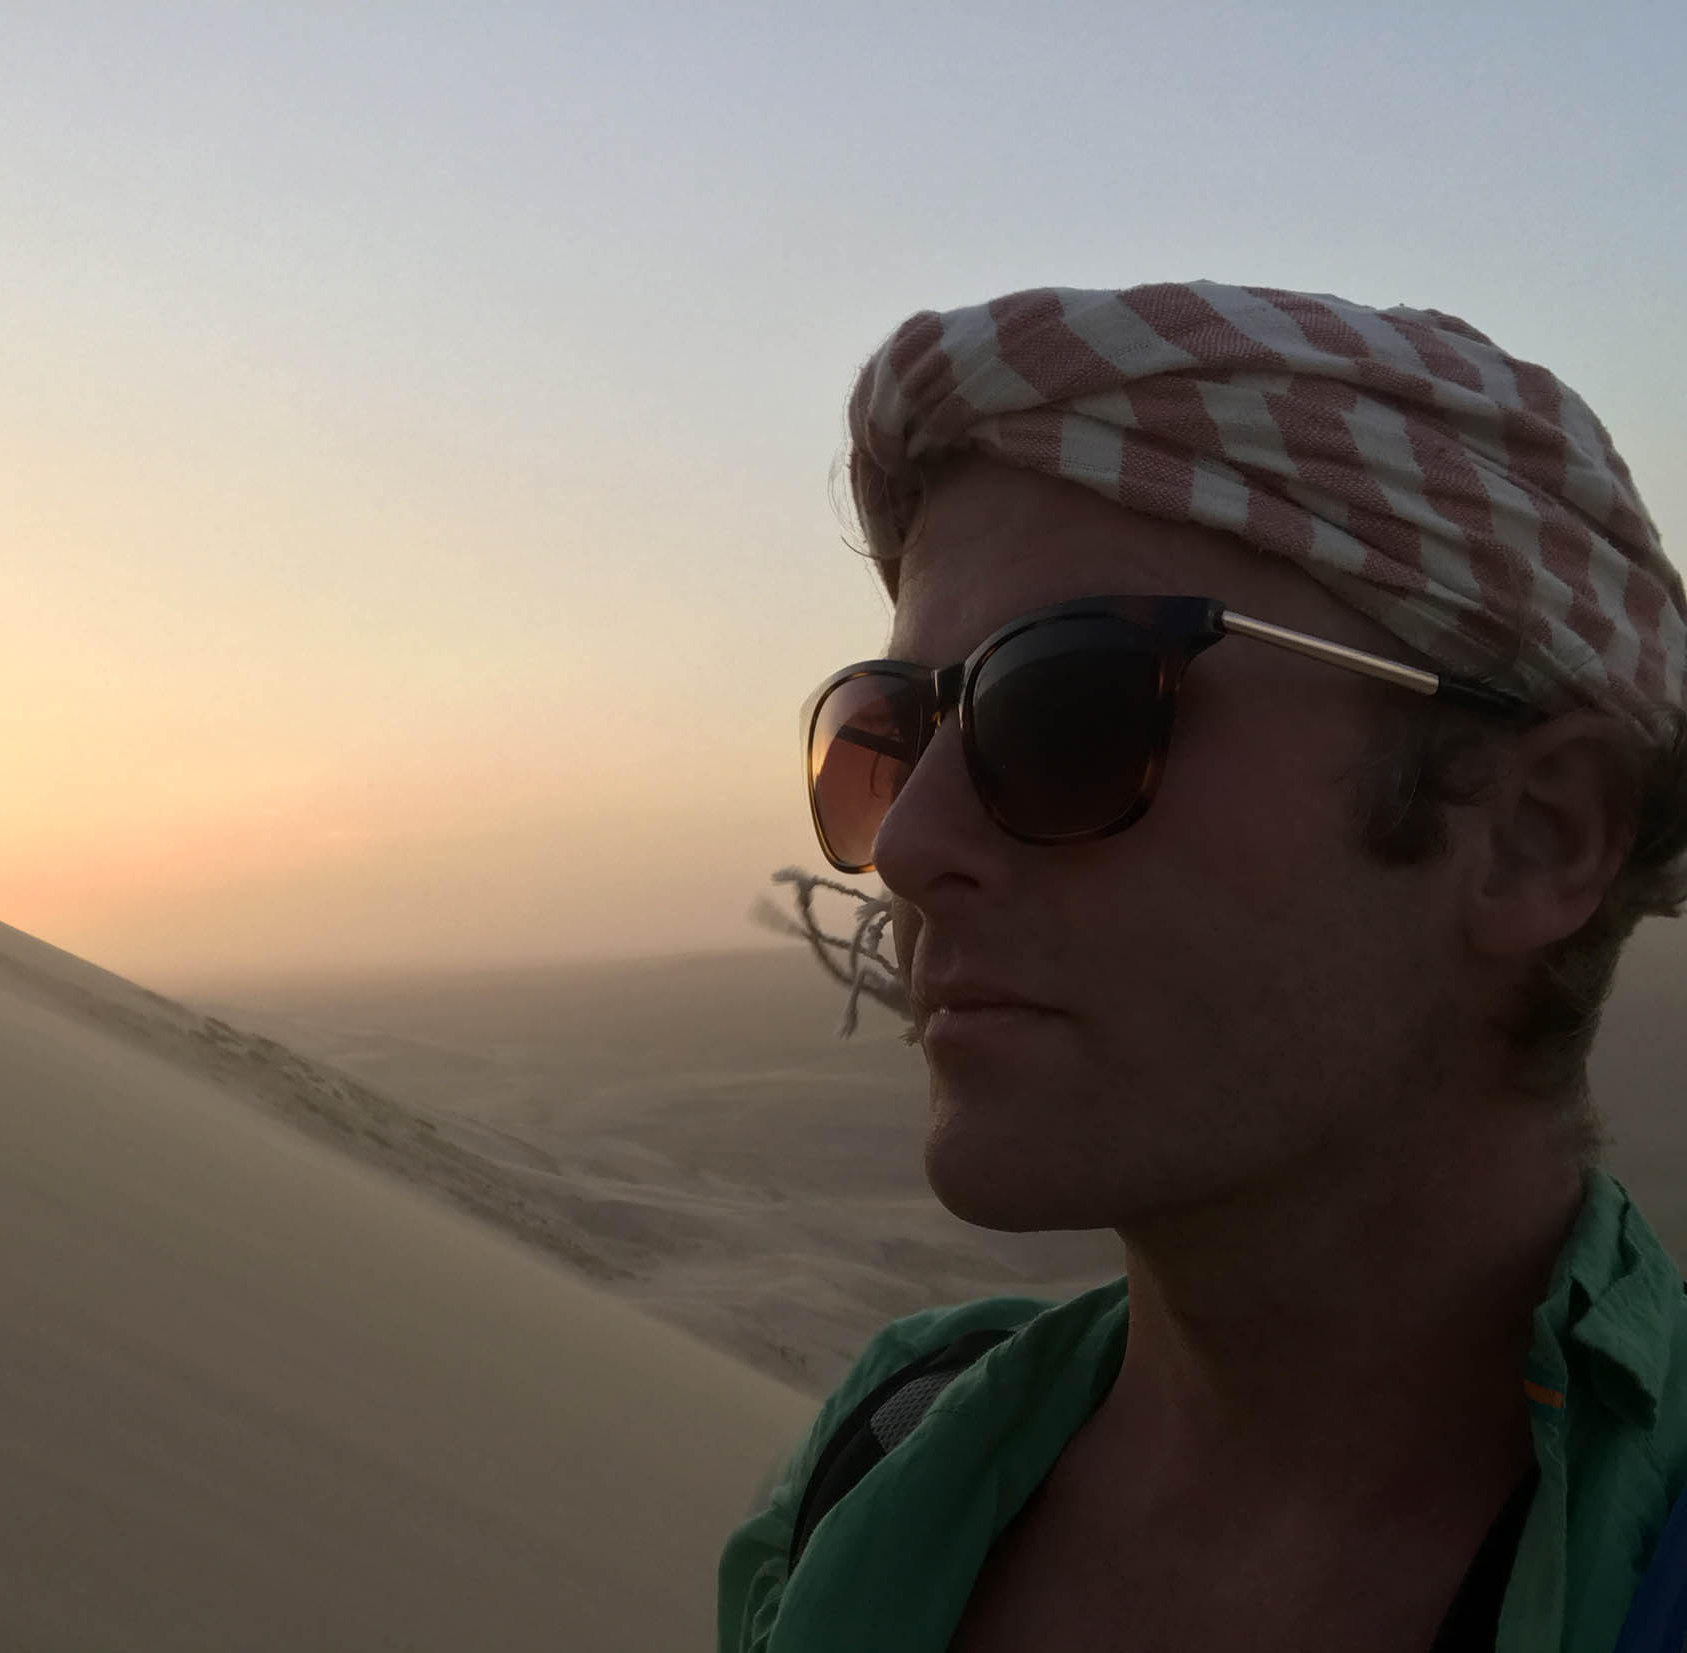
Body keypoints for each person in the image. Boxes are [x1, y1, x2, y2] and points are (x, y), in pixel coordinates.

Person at [719, 282, 1687, 1652]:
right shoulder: (877, 1461)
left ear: (1538, 835)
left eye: (1063, 706)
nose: (913, 841)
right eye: (889, 731)